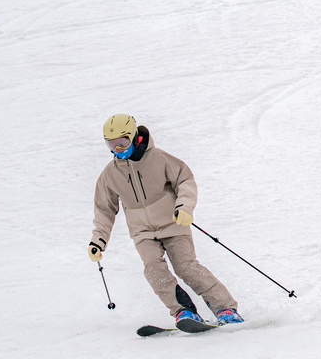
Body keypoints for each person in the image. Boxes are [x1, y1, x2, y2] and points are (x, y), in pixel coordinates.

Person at [89, 114, 243, 328]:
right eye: (111, 144)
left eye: (122, 142)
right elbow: (104, 209)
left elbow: (185, 180)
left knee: (186, 267)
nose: (117, 149)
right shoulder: (110, 175)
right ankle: (184, 312)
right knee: (153, 268)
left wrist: (184, 207)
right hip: (142, 232)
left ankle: (225, 308)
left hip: (174, 223)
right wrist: (98, 240)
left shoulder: (159, 158)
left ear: (134, 137)